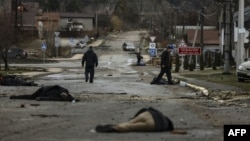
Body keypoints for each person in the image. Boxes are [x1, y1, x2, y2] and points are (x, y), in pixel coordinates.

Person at [95, 107, 174, 132]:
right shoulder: (165, 126)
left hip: (147, 114)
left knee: (129, 123)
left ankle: (117, 125)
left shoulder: (159, 113)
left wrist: (134, 118)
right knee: (130, 128)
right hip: (153, 124)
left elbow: (145, 109)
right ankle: (113, 128)